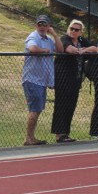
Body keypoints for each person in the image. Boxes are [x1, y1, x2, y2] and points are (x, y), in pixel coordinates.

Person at [52, 19, 97, 143]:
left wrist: (84, 50)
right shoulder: (64, 38)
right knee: (61, 105)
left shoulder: (81, 40)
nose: (73, 31)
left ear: (81, 32)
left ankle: (66, 133)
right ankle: (59, 134)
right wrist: (80, 50)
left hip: (76, 79)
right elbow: (69, 49)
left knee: (71, 105)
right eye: (71, 28)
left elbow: (95, 47)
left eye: (76, 30)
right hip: (63, 77)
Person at [22, 15, 63, 145]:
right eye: (39, 24)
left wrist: (55, 35)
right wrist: (44, 50)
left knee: (37, 109)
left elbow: (60, 50)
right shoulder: (33, 36)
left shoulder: (49, 40)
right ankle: (29, 138)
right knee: (35, 109)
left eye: (45, 24)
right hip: (32, 79)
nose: (42, 27)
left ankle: (30, 137)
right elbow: (32, 48)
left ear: (48, 26)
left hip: (43, 81)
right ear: (36, 25)